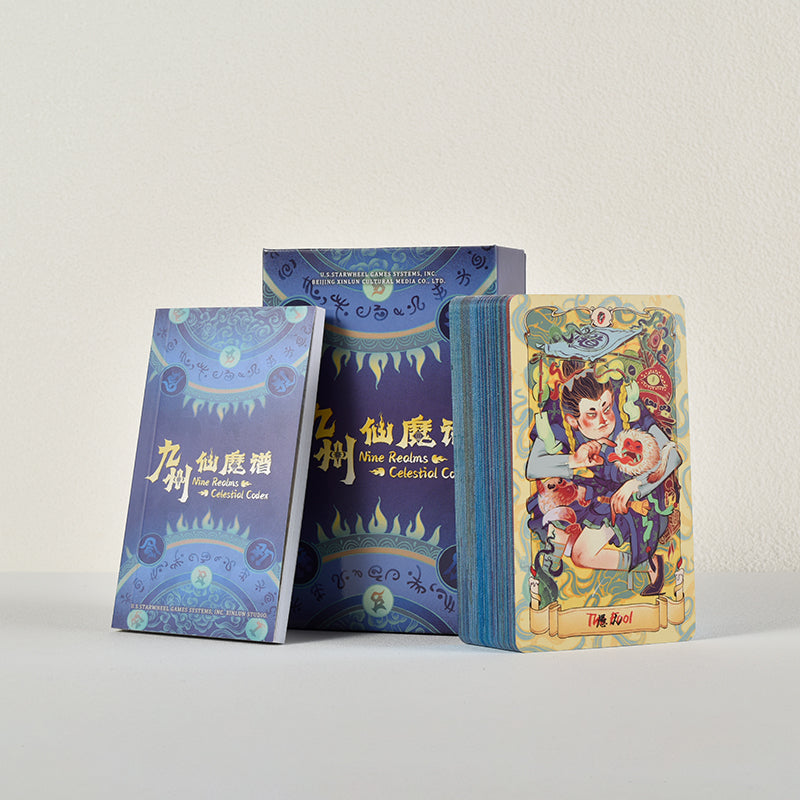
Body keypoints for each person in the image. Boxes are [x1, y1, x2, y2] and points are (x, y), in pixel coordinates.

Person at [526, 370, 681, 595]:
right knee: (554, 504)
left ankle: (648, 564)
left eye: (606, 408)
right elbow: (533, 467)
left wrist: (636, 484)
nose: (604, 420)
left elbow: (672, 455)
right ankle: (555, 551)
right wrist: (574, 460)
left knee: (582, 556)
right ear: (573, 420)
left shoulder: (626, 403)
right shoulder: (559, 415)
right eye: (591, 414)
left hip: (636, 500)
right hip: (595, 491)